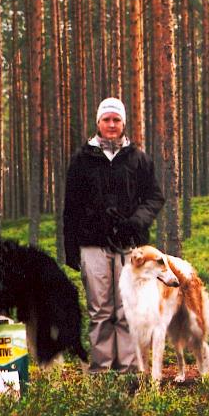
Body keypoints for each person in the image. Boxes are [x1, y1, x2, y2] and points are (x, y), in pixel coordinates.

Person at [63, 97, 165, 374]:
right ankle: (102, 370)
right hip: (92, 245)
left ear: (123, 123)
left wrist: (136, 221)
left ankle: (129, 369)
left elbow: (155, 197)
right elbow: (70, 207)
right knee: (100, 310)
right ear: (98, 122)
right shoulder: (82, 160)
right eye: (106, 119)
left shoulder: (138, 158)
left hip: (130, 247)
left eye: (116, 119)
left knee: (127, 309)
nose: (111, 124)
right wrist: (71, 248)